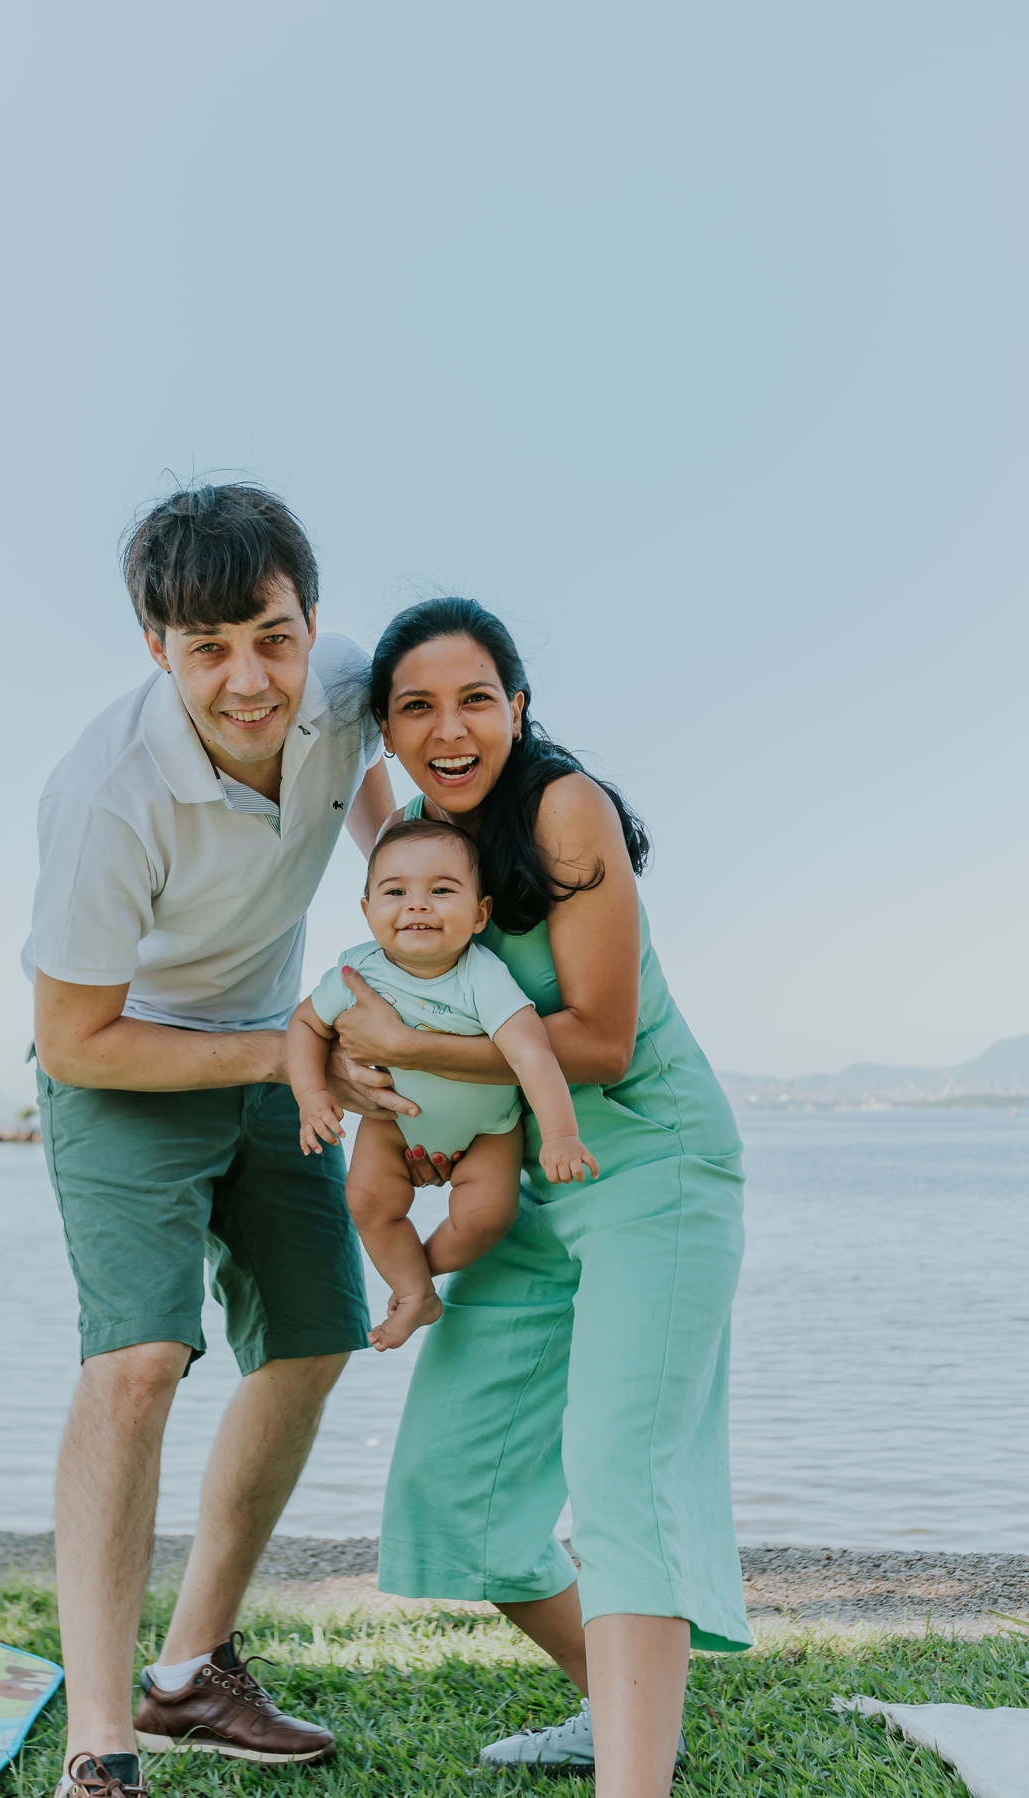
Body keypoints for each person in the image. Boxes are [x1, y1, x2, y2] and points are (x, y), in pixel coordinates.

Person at [25, 483, 418, 1798]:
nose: (249, 679)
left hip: (273, 1045)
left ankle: (191, 1671)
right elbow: (78, 1041)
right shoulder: (104, 797)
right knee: (138, 1361)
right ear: (159, 650)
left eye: (273, 635)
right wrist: (290, 1050)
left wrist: (396, 889)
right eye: (208, 649)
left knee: (312, 1343)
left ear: (312, 620)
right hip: (132, 1060)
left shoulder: (349, 685)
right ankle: (103, 1743)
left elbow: (369, 778)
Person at [328, 598, 751, 1798]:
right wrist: (378, 1076)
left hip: (650, 1169)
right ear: (389, 732)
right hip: (521, 1187)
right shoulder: (414, 836)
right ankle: (624, 1718)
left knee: (623, 1478)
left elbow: (605, 1040)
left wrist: (408, 1042)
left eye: (476, 699)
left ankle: (634, 1779)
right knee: (453, 1487)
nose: (449, 727)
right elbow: (360, 805)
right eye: (416, 706)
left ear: (519, 705)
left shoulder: (567, 807)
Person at [288, 817, 599, 1348]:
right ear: (367, 912)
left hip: (488, 1130)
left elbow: (534, 1055)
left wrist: (561, 1135)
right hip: (393, 1127)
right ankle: (414, 1294)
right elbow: (305, 1026)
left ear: (480, 915)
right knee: (366, 1201)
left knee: (487, 1216)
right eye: (395, 892)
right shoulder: (356, 973)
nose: (418, 904)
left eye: (441, 891)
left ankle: (418, 1275)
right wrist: (312, 1095)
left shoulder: (483, 976)